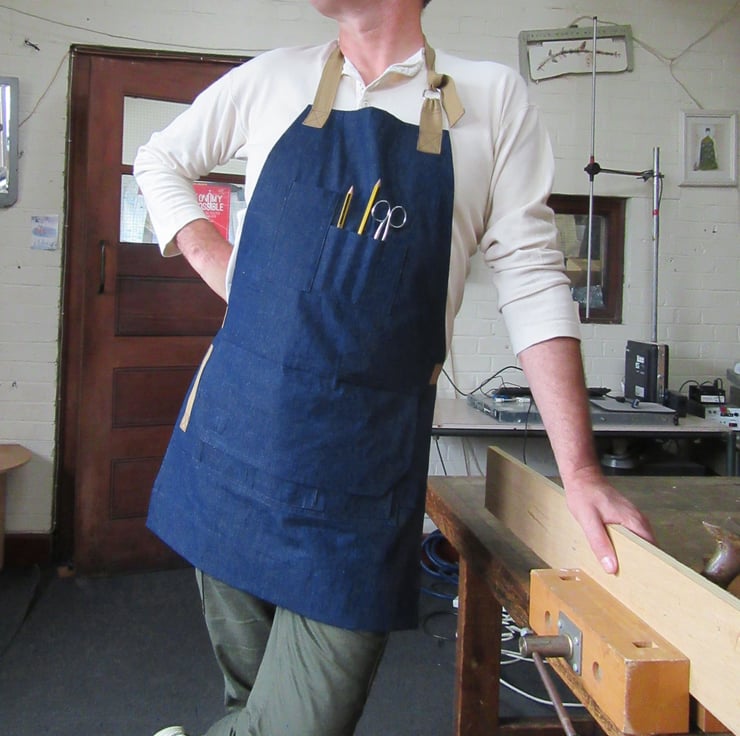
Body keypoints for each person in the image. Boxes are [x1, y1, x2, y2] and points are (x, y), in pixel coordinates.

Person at [135, 1, 655, 734]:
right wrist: (214, 256)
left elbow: (534, 282)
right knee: (248, 705)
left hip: (358, 478)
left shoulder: (492, 100)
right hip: (233, 448)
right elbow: (158, 158)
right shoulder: (274, 79)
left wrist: (581, 472)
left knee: (301, 723)